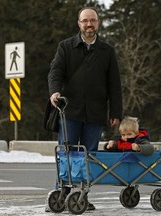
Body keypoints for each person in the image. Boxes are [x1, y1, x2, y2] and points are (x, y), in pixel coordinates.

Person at [47, 7, 123, 211]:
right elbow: (55, 72)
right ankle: (60, 194)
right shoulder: (66, 47)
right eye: (85, 21)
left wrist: (116, 112)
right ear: (79, 23)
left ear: (98, 23)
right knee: (67, 153)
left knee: (89, 156)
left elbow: (114, 84)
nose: (89, 24)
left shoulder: (107, 51)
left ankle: (81, 196)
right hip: (70, 112)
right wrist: (54, 92)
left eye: (93, 21)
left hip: (96, 114)